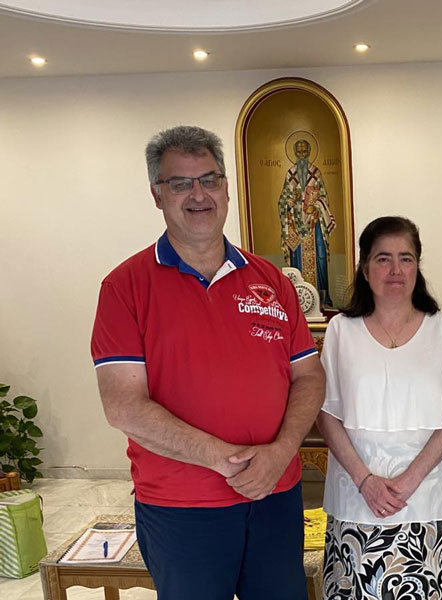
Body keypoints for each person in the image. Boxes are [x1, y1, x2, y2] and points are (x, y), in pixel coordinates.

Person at [90, 125, 325, 600]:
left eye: (210, 179)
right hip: (183, 507)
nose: (198, 194)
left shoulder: (271, 281)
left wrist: (280, 453)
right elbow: (123, 407)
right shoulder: (125, 287)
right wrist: (228, 462)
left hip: (274, 496)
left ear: (226, 189)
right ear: (157, 194)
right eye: (181, 183)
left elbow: (309, 376)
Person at [316, 216, 442, 600]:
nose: (396, 270)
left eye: (406, 258)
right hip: (357, 501)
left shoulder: (441, 328)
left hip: (427, 499)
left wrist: (410, 479)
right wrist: (365, 481)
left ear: (418, 266)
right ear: (365, 267)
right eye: (383, 258)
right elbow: (326, 413)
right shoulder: (340, 331)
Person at [278, 138, 336, 307]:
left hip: (314, 223)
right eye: (299, 152)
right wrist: (291, 202)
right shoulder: (290, 174)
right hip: (296, 225)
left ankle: (322, 296)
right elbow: (282, 201)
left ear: (309, 152)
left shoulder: (315, 173)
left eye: (305, 152)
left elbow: (324, 198)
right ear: (295, 154)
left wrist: (316, 206)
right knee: (297, 257)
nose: (302, 156)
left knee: (320, 255)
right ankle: (297, 298)